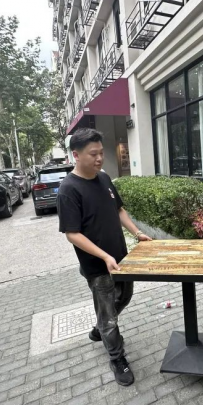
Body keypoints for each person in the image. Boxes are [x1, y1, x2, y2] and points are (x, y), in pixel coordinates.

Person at [57, 128, 152, 387]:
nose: (99, 158)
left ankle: (99, 328)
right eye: (93, 154)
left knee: (125, 297)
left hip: (121, 258)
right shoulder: (68, 189)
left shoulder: (104, 177)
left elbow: (118, 209)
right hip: (97, 266)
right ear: (76, 155)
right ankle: (117, 358)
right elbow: (72, 234)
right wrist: (104, 256)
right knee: (109, 316)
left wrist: (137, 233)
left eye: (101, 152)